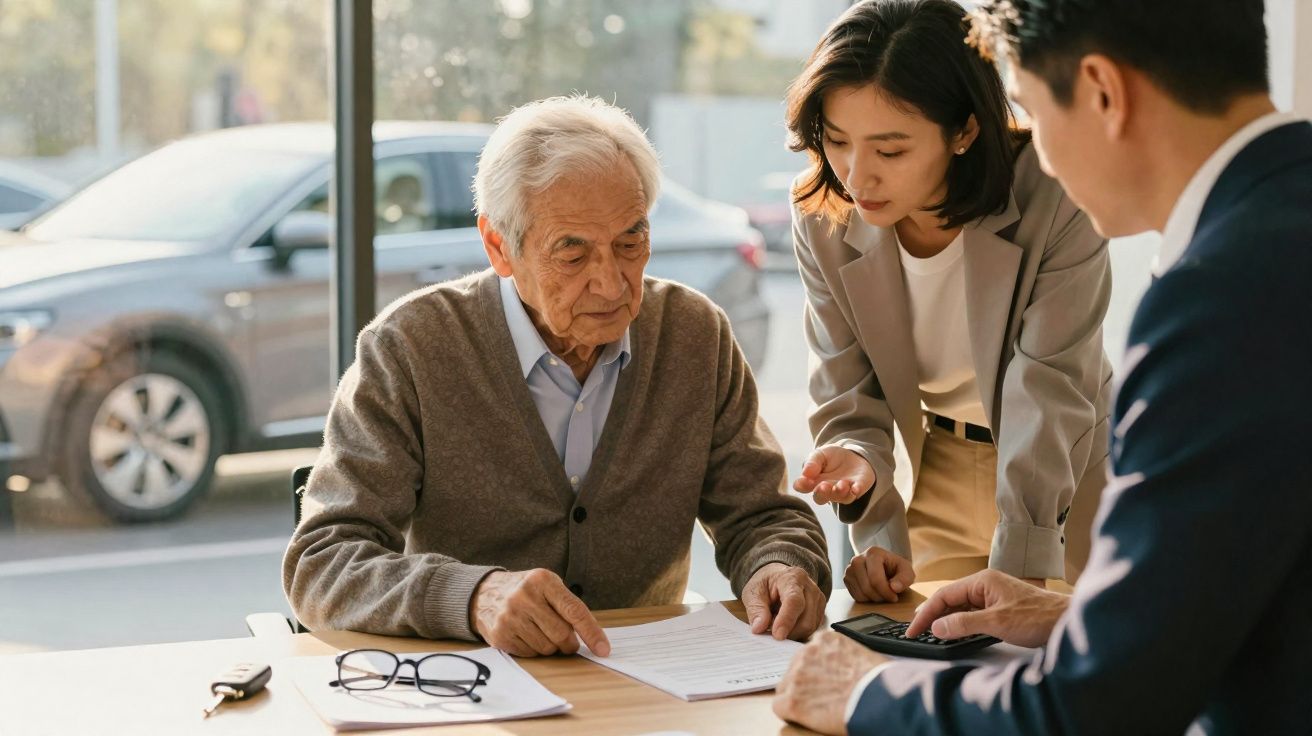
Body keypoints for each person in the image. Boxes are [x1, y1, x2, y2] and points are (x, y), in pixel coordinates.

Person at [774, 0, 1312, 732]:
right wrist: (1076, 619)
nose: (1035, 152)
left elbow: (1102, 704)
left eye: (1028, 108)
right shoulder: (1277, 234)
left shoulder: (1215, 297)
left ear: (1101, 91)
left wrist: (864, 697)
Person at [282, 96, 832, 658]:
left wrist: (780, 565)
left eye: (630, 242)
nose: (613, 284)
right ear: (499, 246)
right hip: (479, 690)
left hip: (650, 684)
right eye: (572, 254)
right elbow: (324, 561)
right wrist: (475, 596)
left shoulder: (693, 335)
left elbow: (762, 514)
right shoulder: (411, 348)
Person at [785, 0, 1112, 595]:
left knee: (1071, 665)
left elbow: (1050, 383)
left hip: (1071, 469)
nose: (858, 177)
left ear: (964, 130)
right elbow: (844, 381)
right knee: (922, 657)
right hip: (935, 463)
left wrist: (1023, 554)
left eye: (890, 151)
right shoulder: (823, 214)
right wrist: (862, 470)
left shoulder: (1056, 190)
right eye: (837, 141)